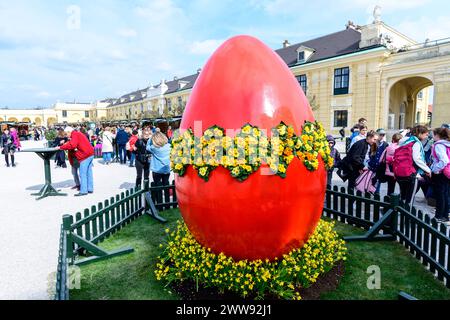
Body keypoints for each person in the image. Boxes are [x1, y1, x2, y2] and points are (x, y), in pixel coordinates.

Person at [394, 125, 432, 206]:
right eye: (425, 134)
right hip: (410, 174)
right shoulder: (416, 143)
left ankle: (398, 214)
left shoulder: (404, 141)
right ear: (420, 134)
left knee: (402, 196)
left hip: (399, 172)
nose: (426, 136)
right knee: (409, 199)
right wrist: (428, 170)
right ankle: (406, 216)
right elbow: (417, 159)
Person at [58, 127, 95, 196]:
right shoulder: (78, 134)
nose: (66, 136)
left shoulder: (75, 134)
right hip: (90, 154)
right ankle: (90, 188)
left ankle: (84, 191)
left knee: (82, 173)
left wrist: (61, 147)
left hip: (85, 156)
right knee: (89, 173)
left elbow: (72, 145)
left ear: (69, 132)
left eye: (66, 134)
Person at [430, 128, 450, 223]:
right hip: (447, 173)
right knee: (445, 194)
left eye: (433, 135)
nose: (432, 137)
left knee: (440, 195)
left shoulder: (439, 145)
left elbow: (444, 160)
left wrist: (435, 169)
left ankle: (439, 216)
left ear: (437, 135)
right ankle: (445, 216)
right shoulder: (447, 144)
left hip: (441, 173)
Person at [369, 129, 388, 194]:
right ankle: (370, 191)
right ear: (377, 135)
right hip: (372, 165)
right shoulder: (373, 143)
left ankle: (377, 193)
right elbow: (370, 154)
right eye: (380, 135)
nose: (382, 136)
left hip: (380, 167)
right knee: (371, 179)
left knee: (379, 181)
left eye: (383, 135)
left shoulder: (385, 144)